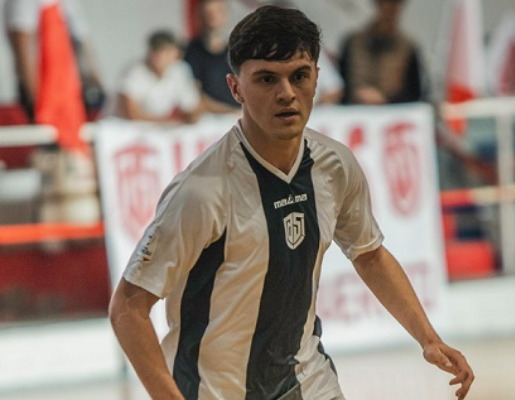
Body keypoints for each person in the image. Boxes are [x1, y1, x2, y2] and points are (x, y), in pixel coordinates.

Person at [109, 5, 474, 400]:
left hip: (309, 382)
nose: (286, 93)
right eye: (266, 79)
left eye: (299, 76)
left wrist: (428, 338)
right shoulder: (201, 191)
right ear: (235, 88)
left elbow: (369, 255)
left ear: (317, 77)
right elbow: (128, 307)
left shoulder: (335, 166)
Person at [4, 0, 105, 122]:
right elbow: (23, 53)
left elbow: (84, 47)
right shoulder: (24, 3)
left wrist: (98, 91)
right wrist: (38, 105)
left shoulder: (69, 4)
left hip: (73, 96)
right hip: (45, 98)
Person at [339, 0, 426, 105]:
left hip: (393, 110)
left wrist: (386, 99)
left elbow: (415, 92)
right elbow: (340, 83)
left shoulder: (408, 47)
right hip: (354, 109)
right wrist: (358, 94)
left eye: (394, 4)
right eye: (386, 3)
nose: (389, 9)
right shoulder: (354, 43)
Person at [112, 30, 202, 124]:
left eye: (166, 51)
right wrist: (172, 120)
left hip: (160, 126)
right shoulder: (134, 71)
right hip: (125, 126)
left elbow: (192, 108)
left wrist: (190, 115)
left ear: (176, 53)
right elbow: (131, 114)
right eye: (157, 51)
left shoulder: (180, 70)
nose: (161, 57)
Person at [184, 0, 240, 113]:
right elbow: (194, 94)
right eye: (208, 14)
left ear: (225, 15)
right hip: (210, 117)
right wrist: (232, 112)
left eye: (217, 13)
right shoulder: (192, 51)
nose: (212, 19)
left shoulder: (240, 48)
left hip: (242, 114)